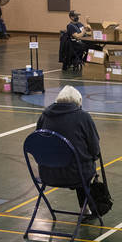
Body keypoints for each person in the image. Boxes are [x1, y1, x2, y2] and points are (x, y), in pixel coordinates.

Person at [36, 85, 111, 215]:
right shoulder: (83, 117)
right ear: (78, 102)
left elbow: (37, 144)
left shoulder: (44, 116)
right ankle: (84, 209)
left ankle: (84, 209)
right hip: (75, 174)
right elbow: (95, 149)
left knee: (75, 160)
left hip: (47, 174)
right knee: (81, 163)